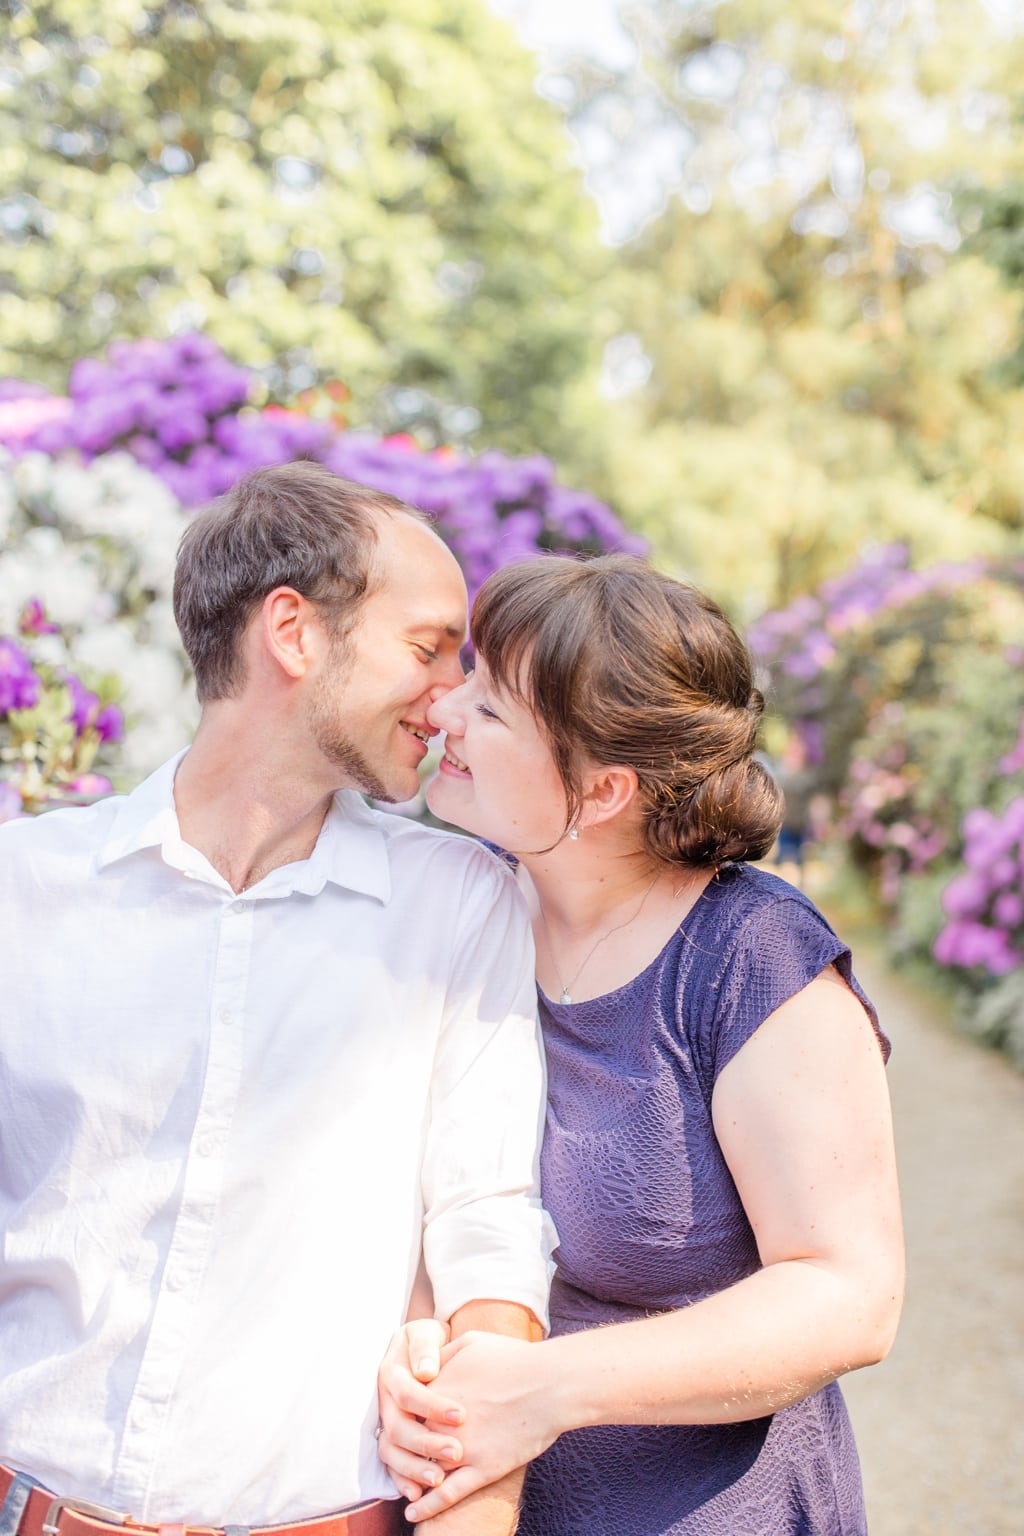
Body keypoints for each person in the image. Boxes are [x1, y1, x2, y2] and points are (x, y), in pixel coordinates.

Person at [0, 462, 556, 1536]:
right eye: (428, 647)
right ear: (294, 634)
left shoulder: (458, 907)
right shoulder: (22, 892)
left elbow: (486, 1229)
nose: (452, 695)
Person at [377, 554, 904, 1536]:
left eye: (490, 710)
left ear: (605, 788)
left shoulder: (754, 963)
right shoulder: (460, 909)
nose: (445, 713)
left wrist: (541, 1390)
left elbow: (848, 1294)